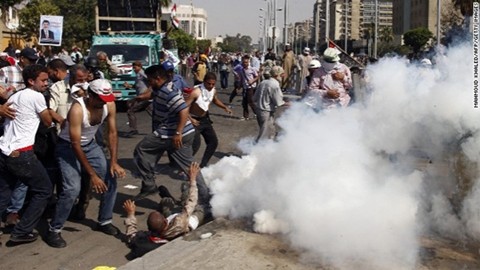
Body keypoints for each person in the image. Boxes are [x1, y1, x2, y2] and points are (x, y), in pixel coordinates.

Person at [46, 79, 126, 248]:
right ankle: (54, 229)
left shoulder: (109, 104)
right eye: (100, 99)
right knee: (72, 189)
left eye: (107, 99)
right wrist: (93, 175)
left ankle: (104, 221)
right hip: (68, 147)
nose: (104, 103)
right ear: (90, 95)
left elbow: (112, 132)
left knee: (110, 178)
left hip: (90, 145)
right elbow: (75, 144)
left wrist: (114, 162)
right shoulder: (77, 109)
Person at [132, 65, 210, 212]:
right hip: (178, 132)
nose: (149, 83)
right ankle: (205, 198)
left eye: (150, 80)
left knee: (142, 148)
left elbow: (183, 109)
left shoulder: (169, 92)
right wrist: (138, 98)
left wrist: (177, 133)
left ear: (158, 78)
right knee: (189, 167)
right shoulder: (160, 88)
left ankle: (149, 185)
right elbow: (152, 95)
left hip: (173, 133)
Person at [0, 64, 53, 244]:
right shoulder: (36, 96)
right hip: (22, 153)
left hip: (4, 151)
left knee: (4, 191)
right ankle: (22, 231)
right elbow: (47, 121)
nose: (47, 83)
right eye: (43, 80)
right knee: (44, 189)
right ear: (31, 81)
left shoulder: (15, 95)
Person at [123, 162, 203, 258]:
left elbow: (131, 234)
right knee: (197, 205)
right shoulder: (179, 222)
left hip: (170, 227)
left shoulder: (148, 239)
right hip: (188, 222)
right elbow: (191, 202)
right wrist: (192, 179)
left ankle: (170, 201)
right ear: (165, 220)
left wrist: (130, 214)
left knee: (166, 201)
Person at [184, 72, 232, 168]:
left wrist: (224, 107)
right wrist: (191, 119)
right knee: (195, 145)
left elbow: (215, 100)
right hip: (194, 121)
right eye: (208, 83)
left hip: (205, 119)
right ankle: (185, 165)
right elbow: (183, 107)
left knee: (213, 142)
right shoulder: (196, 92)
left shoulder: (213, 90)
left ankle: (203, 165)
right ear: (204, 82)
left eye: (213, 84)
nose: (210, 86)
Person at [253, 66, 287, 143]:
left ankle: (267, 151)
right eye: (282, 74)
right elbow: (279, 102)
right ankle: (255, 152)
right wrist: (290, 104)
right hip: (266, 112)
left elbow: (254, 98)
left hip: (259, 110)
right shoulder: (275, 85)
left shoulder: (263, 82)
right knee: (264, 134)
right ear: (276, 75)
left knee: (271, 132)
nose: (283, 76)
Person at [124, 61, 151, 136]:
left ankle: (133, 129)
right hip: (141, 97)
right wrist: (128, 86)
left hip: (144, 97)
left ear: (140, 66)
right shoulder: (137, 75)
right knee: (153, 113)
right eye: (133, 67)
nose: (134, 69)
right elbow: (136, 86)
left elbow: (151, 82)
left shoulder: (142, 73)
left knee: (130, 111)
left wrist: (147, 91)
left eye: (135, 67)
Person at [233, 55, 259, 120]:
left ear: (248, 62)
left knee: (250, 101)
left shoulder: (252, 69)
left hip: (251, 87)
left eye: (246, 62)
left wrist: (252, 80)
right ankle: (245, 116)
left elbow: (257, 77)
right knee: (244, 102)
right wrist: (239, 87)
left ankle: (257, 113)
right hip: (245, 87)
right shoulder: (241, 70)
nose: (245, 64)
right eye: (244, 62)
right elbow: (241, 79)